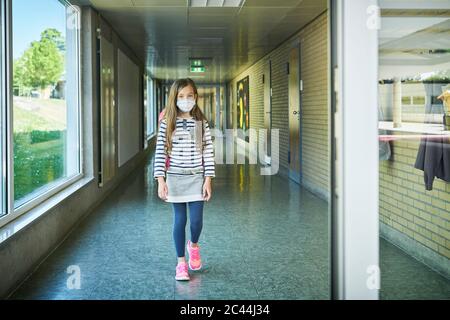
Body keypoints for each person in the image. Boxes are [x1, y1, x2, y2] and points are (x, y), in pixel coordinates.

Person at [153, 78, 215, 281]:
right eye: (181, 96)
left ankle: (193, 245)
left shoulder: (200, 123)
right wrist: (160, 180)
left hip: (197, 177)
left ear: (195, 97)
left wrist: (208, 179)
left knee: (196, 221)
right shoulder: (168, 122)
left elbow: (207, 151)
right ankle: (181, 263)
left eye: (189, 96)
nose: (185, 100)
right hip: (175, 179)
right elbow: (160, 151)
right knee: (180, 220)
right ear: (174, 98)